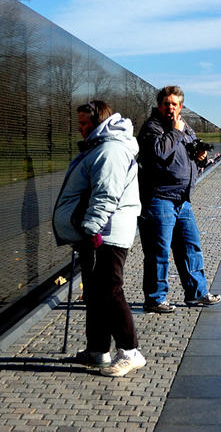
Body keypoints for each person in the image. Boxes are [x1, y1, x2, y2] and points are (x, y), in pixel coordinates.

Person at [52, 100, 146, 377]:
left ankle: (130, 352)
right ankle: (98, 349)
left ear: (98, 123)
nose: (80, 129)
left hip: (108, 233)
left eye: (84, 123)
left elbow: (106, 195)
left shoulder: (111, 149)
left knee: (109, 289)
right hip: (98, 232)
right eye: (78, 123)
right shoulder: (102, 147)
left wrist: (92, 228)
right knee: (95, 291)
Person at [137, 85, 221, 313]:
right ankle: (155, 299)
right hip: (159, 198)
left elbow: (190, 156)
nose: (171, 108)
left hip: (183, 201)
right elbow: (158, 153)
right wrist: (174, 131)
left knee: (191, 248)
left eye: (175, 104)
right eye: (167, 104)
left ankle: (197, 293)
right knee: (158, 251)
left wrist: (201, 158)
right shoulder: (152, 128)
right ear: (159, 106)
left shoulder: (186, 128)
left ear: (181, 106)